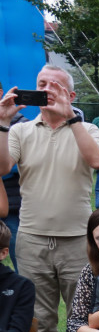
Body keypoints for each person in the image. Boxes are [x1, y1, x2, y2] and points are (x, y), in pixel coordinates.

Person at [0, 65, 99, 332]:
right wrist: (1, 122)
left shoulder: (87, 127)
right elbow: (2, 168)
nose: (46, 90)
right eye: (41, 85)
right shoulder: (21, 130)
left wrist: (71, 120)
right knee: (41, 316)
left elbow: (98, 160)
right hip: (31, 237)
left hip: (77, 238)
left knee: (82, 315)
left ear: (71, 96)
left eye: (54, 86)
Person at [0, 82, 27, 275]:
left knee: (20, 255)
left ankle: (21, 297)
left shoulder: (20, 124)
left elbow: (21, 163)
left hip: (12, 202)